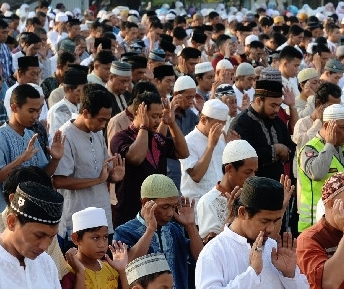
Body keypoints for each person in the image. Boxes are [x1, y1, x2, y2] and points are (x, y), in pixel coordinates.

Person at [115, 174, 202, 289]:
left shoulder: (174, 229)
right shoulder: (125, 232)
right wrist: (150, 230)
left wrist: (190, 226)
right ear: (145, 202)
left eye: (174, 206)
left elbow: (200, 257)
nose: (170, 213)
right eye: (164, 207)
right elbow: (128, 265)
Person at [53, 84, 124, 243]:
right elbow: (58, 180)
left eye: (107, 120)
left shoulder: (97, 132)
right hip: (79, 219)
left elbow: (103, 172)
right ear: (85, 113)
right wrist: (97, 180)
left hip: (102, 215)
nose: (104, 125)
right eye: (101, 120)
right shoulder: (66, 135)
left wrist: (113, 176)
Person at [0, 166, 70, 277]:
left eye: (50, 237)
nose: (44, 246)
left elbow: (58, 277)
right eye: (38, 235)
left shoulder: (46, 253)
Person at [110, 91, 189, 228]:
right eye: (153, 116)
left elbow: (183, 152)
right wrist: (143, 126)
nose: (158, 121)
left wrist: (171, 123)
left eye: (159, 116)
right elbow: (136, 158)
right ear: (139, 114)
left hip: (159, 214)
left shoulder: (157, 138)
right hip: (131, 214)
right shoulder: (121, 138)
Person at [0, 83, 65, 214]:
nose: (36, 116)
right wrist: (20, 160)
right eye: (31, 111)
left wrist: (55, 159)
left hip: (34, 211)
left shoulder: (31, 135)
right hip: (8, 214)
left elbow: (43, 176)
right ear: (14, 108)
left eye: (38, 111)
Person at [297, 103, 344, 231]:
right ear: (327, 126)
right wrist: (329, 144)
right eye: (343, 127)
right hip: (314, 226)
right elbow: (317, 173)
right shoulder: (310, 149)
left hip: (341, 222)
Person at [230, 71, 295, 182]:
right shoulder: (241, 123)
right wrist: (275, 150)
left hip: (277, 186)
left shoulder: (277, 121)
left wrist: (285, 150)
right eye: (273, 105)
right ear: (259, 101)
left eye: (279, 105)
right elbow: (243, 158)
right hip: (253, 189)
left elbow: (291, 147)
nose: (276, 110)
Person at [196, 139, 258, 242]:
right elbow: (212, 248)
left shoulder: (253, 196)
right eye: (248, 172)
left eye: (255, 172)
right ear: (229, 169)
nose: (252, 177)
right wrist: (231, 217)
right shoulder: (208, 202)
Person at [180, 98, 229, 205]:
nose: (220, 129)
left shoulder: (220, 142)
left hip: (219, 204)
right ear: (203, 120)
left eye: (223, 125)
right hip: (197, 207)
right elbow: (196, 176)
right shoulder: (188, 142)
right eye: (217, 125)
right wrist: (210, 146)